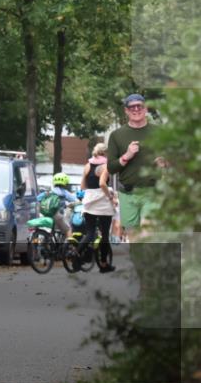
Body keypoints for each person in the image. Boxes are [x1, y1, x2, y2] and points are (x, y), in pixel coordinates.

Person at [106, 94, 164, 235]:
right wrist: (126, 156)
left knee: (147, 232)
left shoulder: (159, 132)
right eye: (132, 107)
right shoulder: (116, 135)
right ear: (126, 110)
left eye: (140, 106)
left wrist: (165, 162)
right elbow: (111, 168)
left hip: (151, 191)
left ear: (146, 109)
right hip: (127, 194)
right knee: (134, 238)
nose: (136, 109)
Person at [78, 142, 116, 272]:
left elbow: (83, 186)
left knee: (90, 233)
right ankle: (104, 265)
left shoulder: (87, 165)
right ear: (105, 153)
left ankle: (76, 253)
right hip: (103, 203)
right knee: (104, 235)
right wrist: (110, 197)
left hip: (89, 202)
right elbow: (102, 184)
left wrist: (91, 192)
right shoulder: (106, 166)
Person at [44, 173, 79, 240]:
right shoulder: (64, 192)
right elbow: (75, 200)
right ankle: (70, 245)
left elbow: (39, 198)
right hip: (57, 215)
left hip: (46, 214)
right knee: (68, 229)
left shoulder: (49, 191)